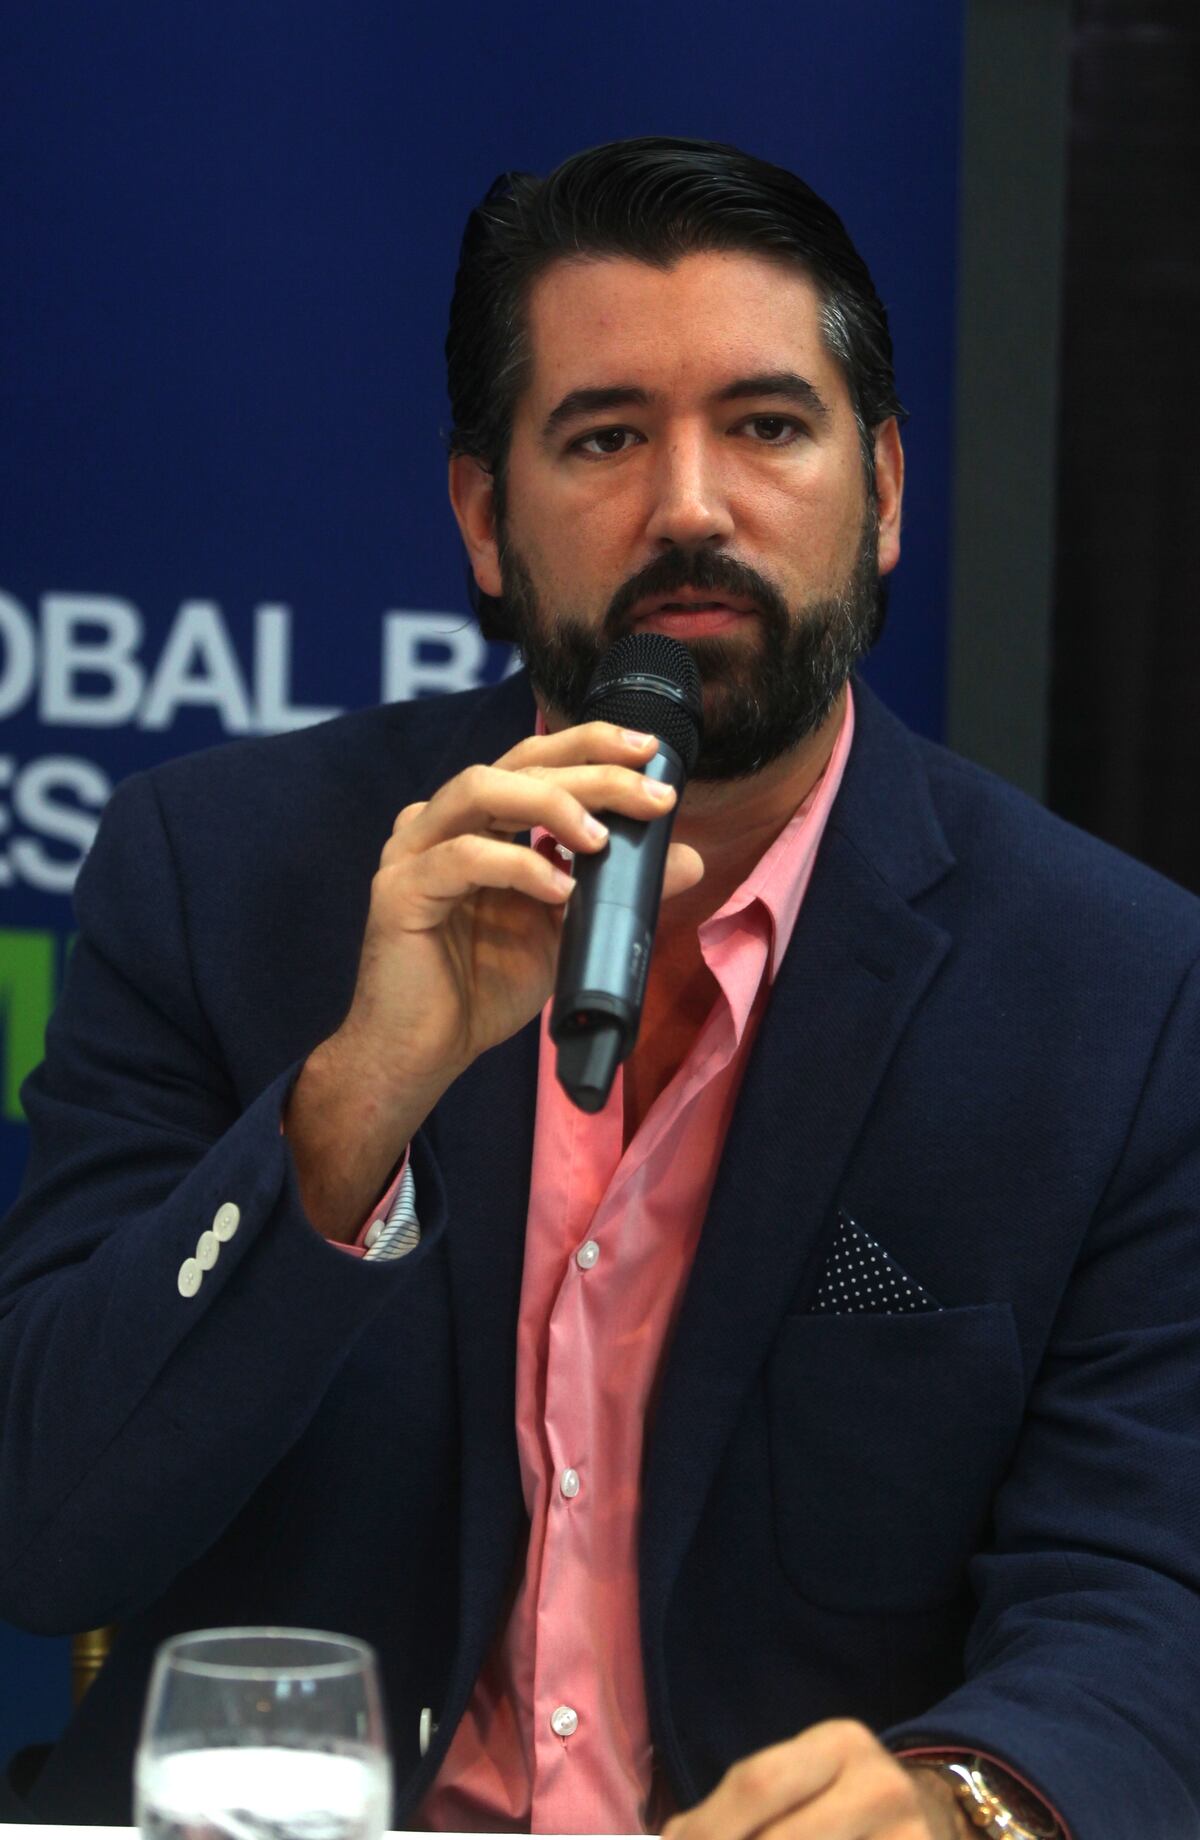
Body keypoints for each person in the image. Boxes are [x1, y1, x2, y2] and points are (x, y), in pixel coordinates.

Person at [2, 136, 1199, 1840]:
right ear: (487, 521)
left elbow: (1144, 1596)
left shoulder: (1121, 992)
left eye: (769, 428)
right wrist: (352, 1107)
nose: (692, 505)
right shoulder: (221, 876)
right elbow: (48, 1528)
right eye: (607, 436)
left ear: (886, 498)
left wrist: (959, 1809)